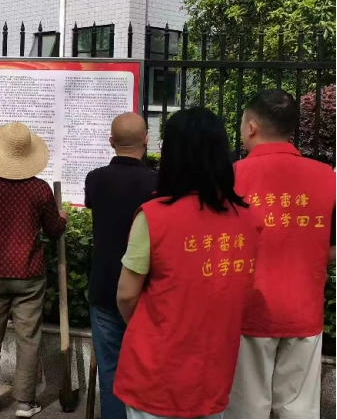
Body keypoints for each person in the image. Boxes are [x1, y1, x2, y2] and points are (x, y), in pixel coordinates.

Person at [113, 107, 260, 419]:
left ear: (172, 155)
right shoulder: (248, 219)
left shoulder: (153, 217)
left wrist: (151, 329)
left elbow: (126, 295)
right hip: (213, 373)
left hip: (155, 373)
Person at [226, 90, 336, 419]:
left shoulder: (232, 177)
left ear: (251, 127)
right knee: (298, 411)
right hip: (304, 311)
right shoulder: (327, 178)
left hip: (248, 312)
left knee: (246, 411)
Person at [0, 122, 68, 419]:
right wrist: (62, 217)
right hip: (29, 274)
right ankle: (25, 402)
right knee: (28, 338)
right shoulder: (40, 189)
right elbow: (53, 231)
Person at [84, 112, 157, 419]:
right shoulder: (159, 182)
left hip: (104, 287)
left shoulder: (95, 179)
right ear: (146, 140)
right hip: (146, 289)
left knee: (111, 369)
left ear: (111, 141)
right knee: (149, 368)